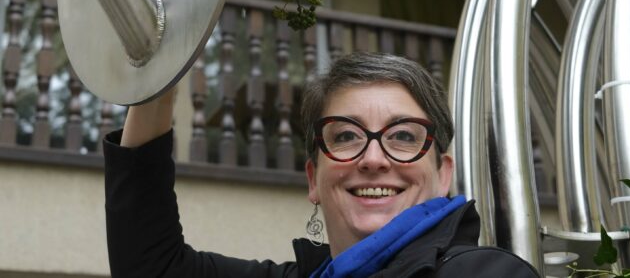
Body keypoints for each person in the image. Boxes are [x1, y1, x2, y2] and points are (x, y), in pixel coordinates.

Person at [104, 51, 540, 277]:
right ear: (313, 178)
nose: (373, 158)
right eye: (346, 136)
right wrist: (160, 63)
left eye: (403, 136)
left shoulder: (484, 274)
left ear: (443, 174)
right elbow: (152, 267)